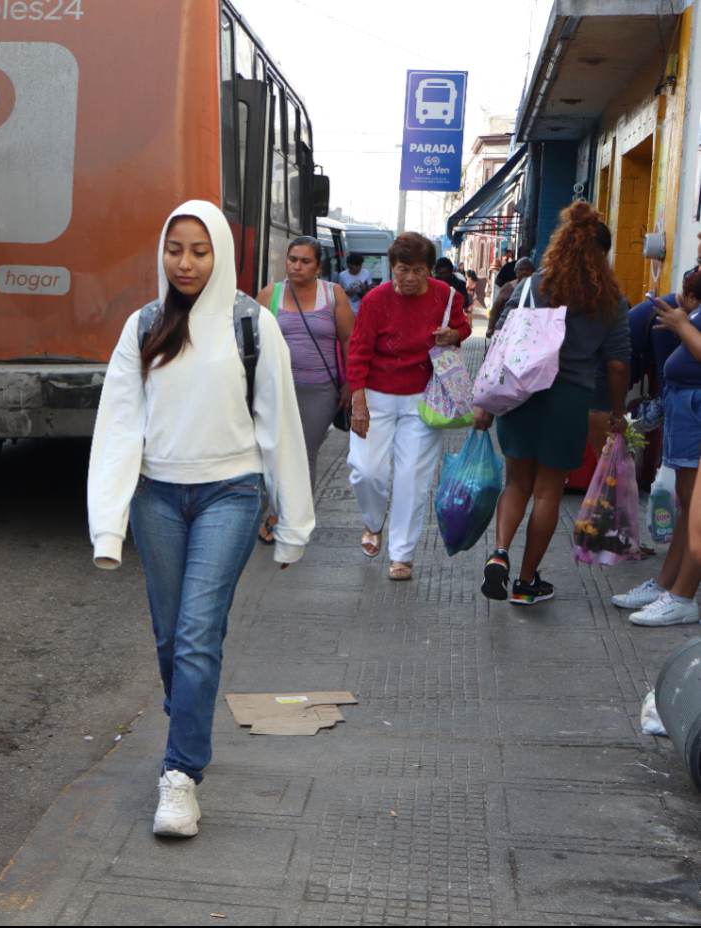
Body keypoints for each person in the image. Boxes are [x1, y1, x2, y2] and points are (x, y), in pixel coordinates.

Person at [88, 200, 313, 838]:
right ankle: (188, 706)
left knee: (195, 636)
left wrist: (293, 521)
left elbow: (281, 424)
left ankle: (181, 775)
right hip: (157, 497)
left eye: (199, 249)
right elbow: (118, 426)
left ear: (221, 253)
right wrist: (108, 523)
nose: (185, 262)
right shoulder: (142, 326)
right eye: (174, 248)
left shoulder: (252, 324)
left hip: (230, 496)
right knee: (171, 641)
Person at [476, 202, 630, 605]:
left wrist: (488, 401)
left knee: (516, 484)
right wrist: (616, 414)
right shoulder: (611, 301)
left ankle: (500, 554)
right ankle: (526, 584)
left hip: (520, 396)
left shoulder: (530, 286)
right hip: (568, 402)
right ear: (603, 253)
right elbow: (617, 365)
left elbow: (502, 339)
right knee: (547, 493)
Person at [347, 232, 471, 581]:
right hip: (375, 394)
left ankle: (402, 554)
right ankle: (373, 522)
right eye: (403, 270)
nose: (411, 278)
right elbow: (357, 352)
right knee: (365, 469)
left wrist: (455, 335)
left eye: (419, 270)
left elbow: (462, 327)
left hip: (424, 396)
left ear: (431, 269)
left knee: (412, 477)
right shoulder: (374, 300)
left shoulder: (447, 295)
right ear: (392, 268)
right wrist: (358, 401)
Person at [612, 271, 701, 625]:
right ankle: (668, 584)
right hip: (685, 407)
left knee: (696, 506)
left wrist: (681, 325)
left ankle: (683, 595)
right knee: (686, 499)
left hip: (694, 408)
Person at [254, 236, 356, 543]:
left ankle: (281, 516)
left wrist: (350, 385)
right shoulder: (270, 294)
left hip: (319, 391)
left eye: (305, 261)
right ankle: (285, 510)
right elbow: (250, 339)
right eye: (292, 259)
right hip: (275, 392)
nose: (297, 266)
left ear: (319, 266)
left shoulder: (333, 294)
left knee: (303, 454)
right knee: (272, 454)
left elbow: (351, 340)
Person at [487, 257, 535, 337]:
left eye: (527, 269)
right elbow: (496, 308)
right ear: (516, 272)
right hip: (507, 329)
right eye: (521, 269)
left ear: (533, 272)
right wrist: (490, 328)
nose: (524, 272)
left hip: (529, 329)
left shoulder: (537, 287)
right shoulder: (508, 287)